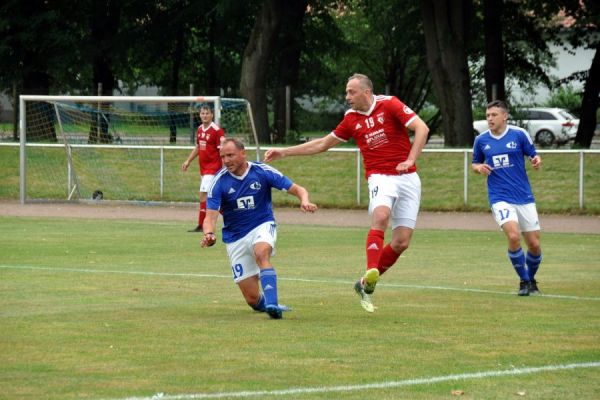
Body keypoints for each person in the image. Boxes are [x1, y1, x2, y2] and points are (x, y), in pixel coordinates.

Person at [264, 73, 429, 313]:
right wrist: (284, 152)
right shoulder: (351, 119)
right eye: (346, 92)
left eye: (351, 92)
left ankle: (364, 283)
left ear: (366, 92)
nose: (347, 97)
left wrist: (410, 159)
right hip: (380, 177)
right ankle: (372, 269)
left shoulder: (389, 103)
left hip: (409, 178)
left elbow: (421, 128)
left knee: (401, 242)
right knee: (381, 216)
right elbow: (322, 144)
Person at [201, 138, 318, 319]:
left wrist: (304, 200)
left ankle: (273, 305)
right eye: (223, 156)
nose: (226, 160)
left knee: (262, 253)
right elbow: (210, 217)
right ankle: (265, 303)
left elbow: (298, 189)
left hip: (262, 224)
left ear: (243, 153)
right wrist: (209, 234)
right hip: (235, 237)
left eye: (230, 155)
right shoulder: (218, 182)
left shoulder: (262, 171)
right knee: (252, 299)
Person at [472, 100, 543, 296]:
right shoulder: (482, 140)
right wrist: (479, 168)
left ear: (505, 116)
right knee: (513, 236)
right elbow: (475, 163)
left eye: (494, 115)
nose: (490, 119)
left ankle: (531, 279)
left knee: (535, 245)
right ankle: (524, 281)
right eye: (487, 116)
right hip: (499, 196)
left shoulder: (518, 134)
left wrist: (536, 160)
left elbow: (533, 155)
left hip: (523, 196)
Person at [182, 105, 226, 232]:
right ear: (199, 115)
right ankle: (233, 217)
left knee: (203, 195)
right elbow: (198, 147)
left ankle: (202, 225)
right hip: (204, 169)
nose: (205, 115)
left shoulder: (217, 130)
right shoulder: (200, 129)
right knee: (213, 198)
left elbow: (222, 151)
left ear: (212, 115)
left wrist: (224, 169)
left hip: (213, 169)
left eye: (207, 113)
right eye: (202, 113)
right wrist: (188, 161)